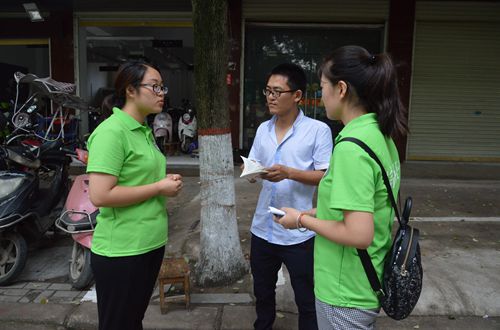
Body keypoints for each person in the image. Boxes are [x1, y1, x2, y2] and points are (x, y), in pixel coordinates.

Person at [274, 45, 408, 329]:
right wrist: (312, 212)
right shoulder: (380, 134)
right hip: (366, 279)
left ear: (342, 89)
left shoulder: (351, 148)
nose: (321, 95)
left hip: (344, 290)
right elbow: (365, 207)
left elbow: (359, 233)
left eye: (322, 86)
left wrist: (301, 220)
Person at [87, 61, 183, 330]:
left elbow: (138, 178)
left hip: (148, 245)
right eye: (154, 86)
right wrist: (158, 187)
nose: (161, 92)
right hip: (122, 250)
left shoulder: (144, 130)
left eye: (162, 87)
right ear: (131, 90)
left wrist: (162, 181)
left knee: (132, 321)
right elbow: (101, 195)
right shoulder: (111, 132)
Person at [246, 63, 333, 330]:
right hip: (263, 229)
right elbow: (253, 164)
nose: (270, 97)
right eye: (268, 91)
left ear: (297, 95)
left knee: (306, 299)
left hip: (299, 231)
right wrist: (251, 171)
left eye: (277, 91)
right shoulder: (263, 129)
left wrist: (289, 173)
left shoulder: (318, 130)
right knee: (262, 293)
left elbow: (326, 177)